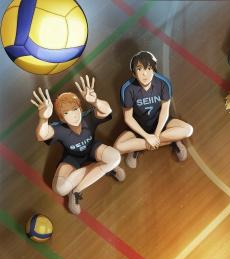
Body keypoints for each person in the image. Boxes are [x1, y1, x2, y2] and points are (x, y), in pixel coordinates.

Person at [31, 75, 124, 215]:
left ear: (80, 109)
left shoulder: (87, 118)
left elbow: (107, 110)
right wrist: (43, 119)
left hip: (93, 149)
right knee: (60, 189)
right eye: (66, 113)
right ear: (62, 118)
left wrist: (95, 101)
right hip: (72, 158)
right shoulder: (59, 128)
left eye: (75, 109)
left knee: (115, 157)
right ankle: (105, 168)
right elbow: (41, 135)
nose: (73, 115)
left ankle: (77, 191)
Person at [114, 51, 193, 169]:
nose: (145, 73)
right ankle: (172, 140)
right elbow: (128, 118)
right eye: (139, 69)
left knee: (188, 130)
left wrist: (155, 135)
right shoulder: (127, 88)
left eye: (149, 68)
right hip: (139, 126)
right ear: (134, 73)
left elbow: (165, 111)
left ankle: (138, 146)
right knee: (117, 147)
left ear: (154, 69)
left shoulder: (163, 83)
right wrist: (147, 136)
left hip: (160, 122)